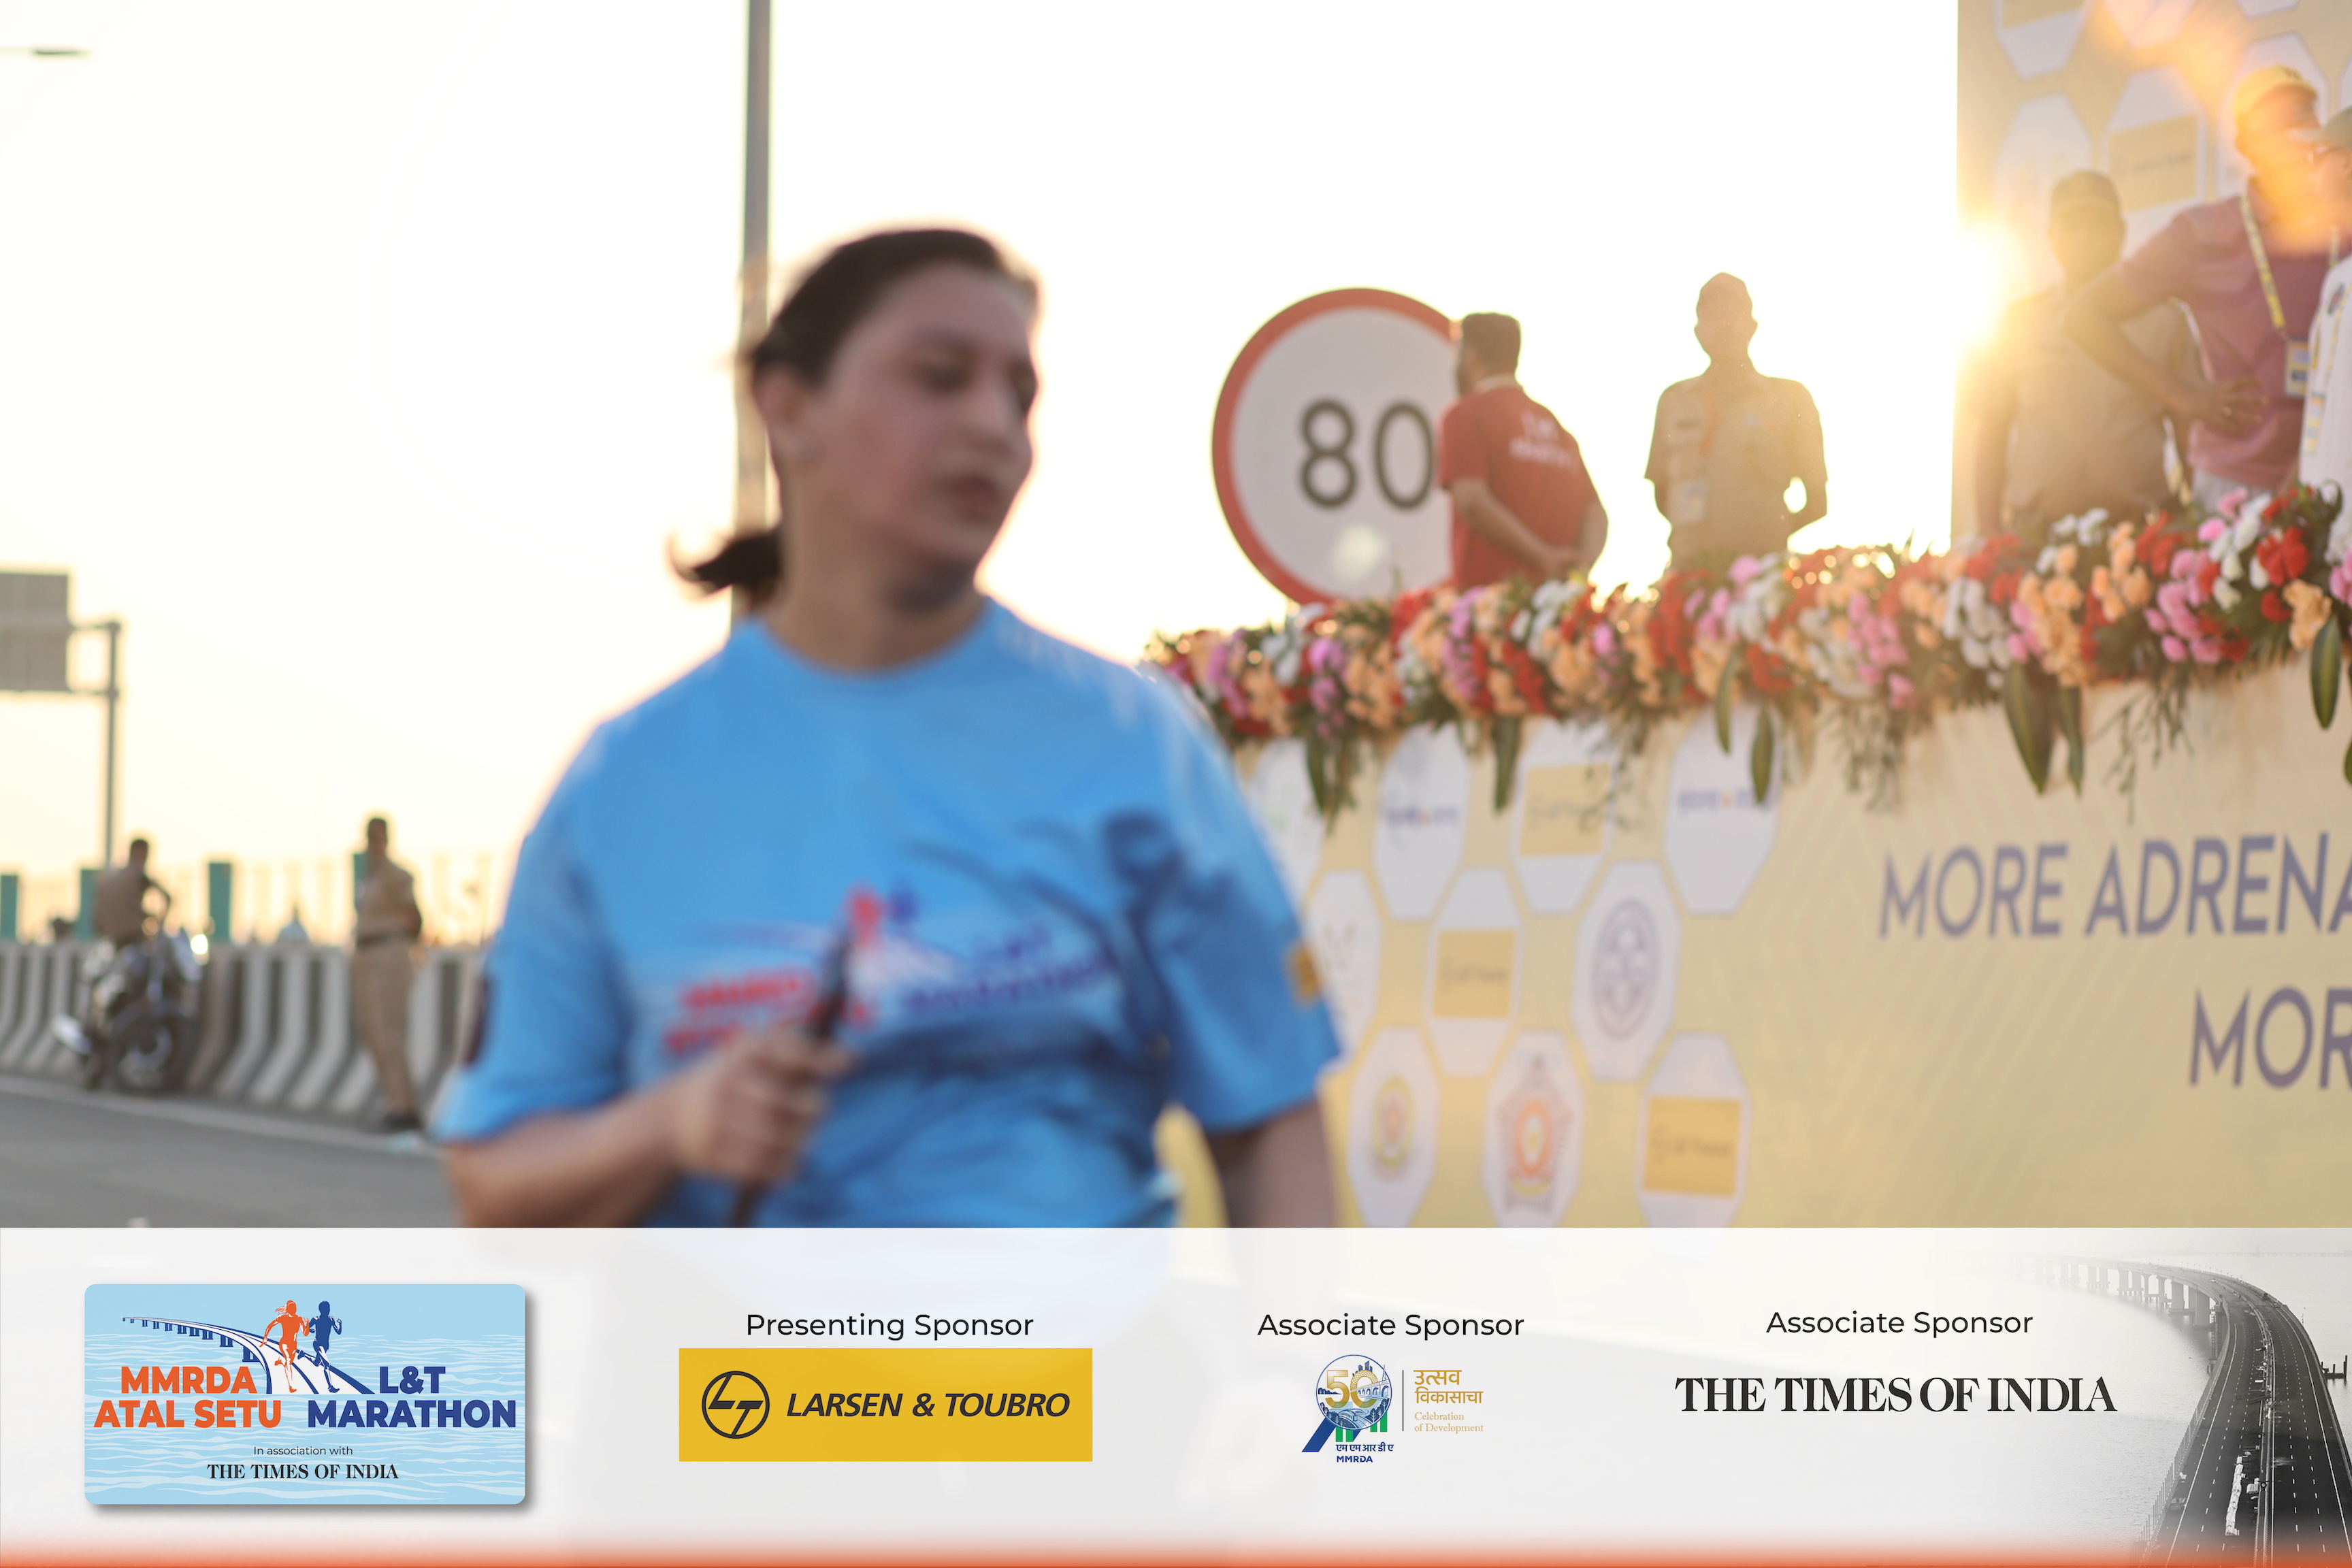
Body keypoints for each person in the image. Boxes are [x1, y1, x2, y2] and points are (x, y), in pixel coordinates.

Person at [437, 229, 1339, 1227]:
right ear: (789, 408)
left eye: (1019, 395)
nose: (992, 425)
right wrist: (673, 1126)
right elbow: (496, 1179)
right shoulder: (626, 786)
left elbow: (1269, 1120)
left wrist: (1295, 1329)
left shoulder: (1134, 742)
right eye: (940, 377)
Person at [2068, 65, 2334, 506]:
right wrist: (2184, 397)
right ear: (2246, 145)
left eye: (2304, 113)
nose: (2294, 129)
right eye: (2275, 119)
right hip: (2235, 485)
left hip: (2333, 475)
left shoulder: (2343, 231)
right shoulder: (2202, 234)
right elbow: (2083, 317)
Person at [1974, 172, 2198, 541]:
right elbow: (1992, 430)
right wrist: (1989, 532)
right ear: (2052, 236)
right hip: (2036, 539)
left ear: (2121, 232)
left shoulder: (2165, 321)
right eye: (2072, 226)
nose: (2084, 237)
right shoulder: (2020, 321)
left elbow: (2191, 433)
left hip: (2137, 539)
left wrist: (2199, 526)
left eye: (2097, 224)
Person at [1645, 274, 1827, 568]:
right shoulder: (1674, 401)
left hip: (1763, 577)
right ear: (1698, 331)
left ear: (1752, 325)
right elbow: (1662, 493)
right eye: (1713, 316)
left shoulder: (1789, 399)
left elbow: (1817, 501)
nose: (1724, 326)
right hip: (1689, 576)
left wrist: (1767, 541)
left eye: (1732, 313)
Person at [1437, 312, 1606, 587]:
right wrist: (1580, 568)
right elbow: (1595, 513)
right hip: (1555, 602)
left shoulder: (1465, 415)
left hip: (1491, 599)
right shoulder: (1555, 427)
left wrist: (1543, 556)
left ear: (1471, 356)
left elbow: (1472, 502)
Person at [353, 816, 425, 1134]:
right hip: (367, 956)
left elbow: (414, 918)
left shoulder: (396, 876)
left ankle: (404, 1107)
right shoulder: (369, 877)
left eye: (378, 837)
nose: (374, 844)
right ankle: (394, 1100)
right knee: (372, 1032)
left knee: (390, 1033)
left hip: (389, 954)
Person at [2300, 110, 2352, 494]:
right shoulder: (2338, 277)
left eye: (2316, 158)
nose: (2310, 176)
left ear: (2347, 165)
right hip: (2327, 513)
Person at [91, 838, 170, 947]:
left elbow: (98, 919)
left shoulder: (109, 878)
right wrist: (160, 925)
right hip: (134, 937)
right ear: (140, 852)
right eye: (146, 854)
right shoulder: (138, 875)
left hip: (113, 938)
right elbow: (167, 897)